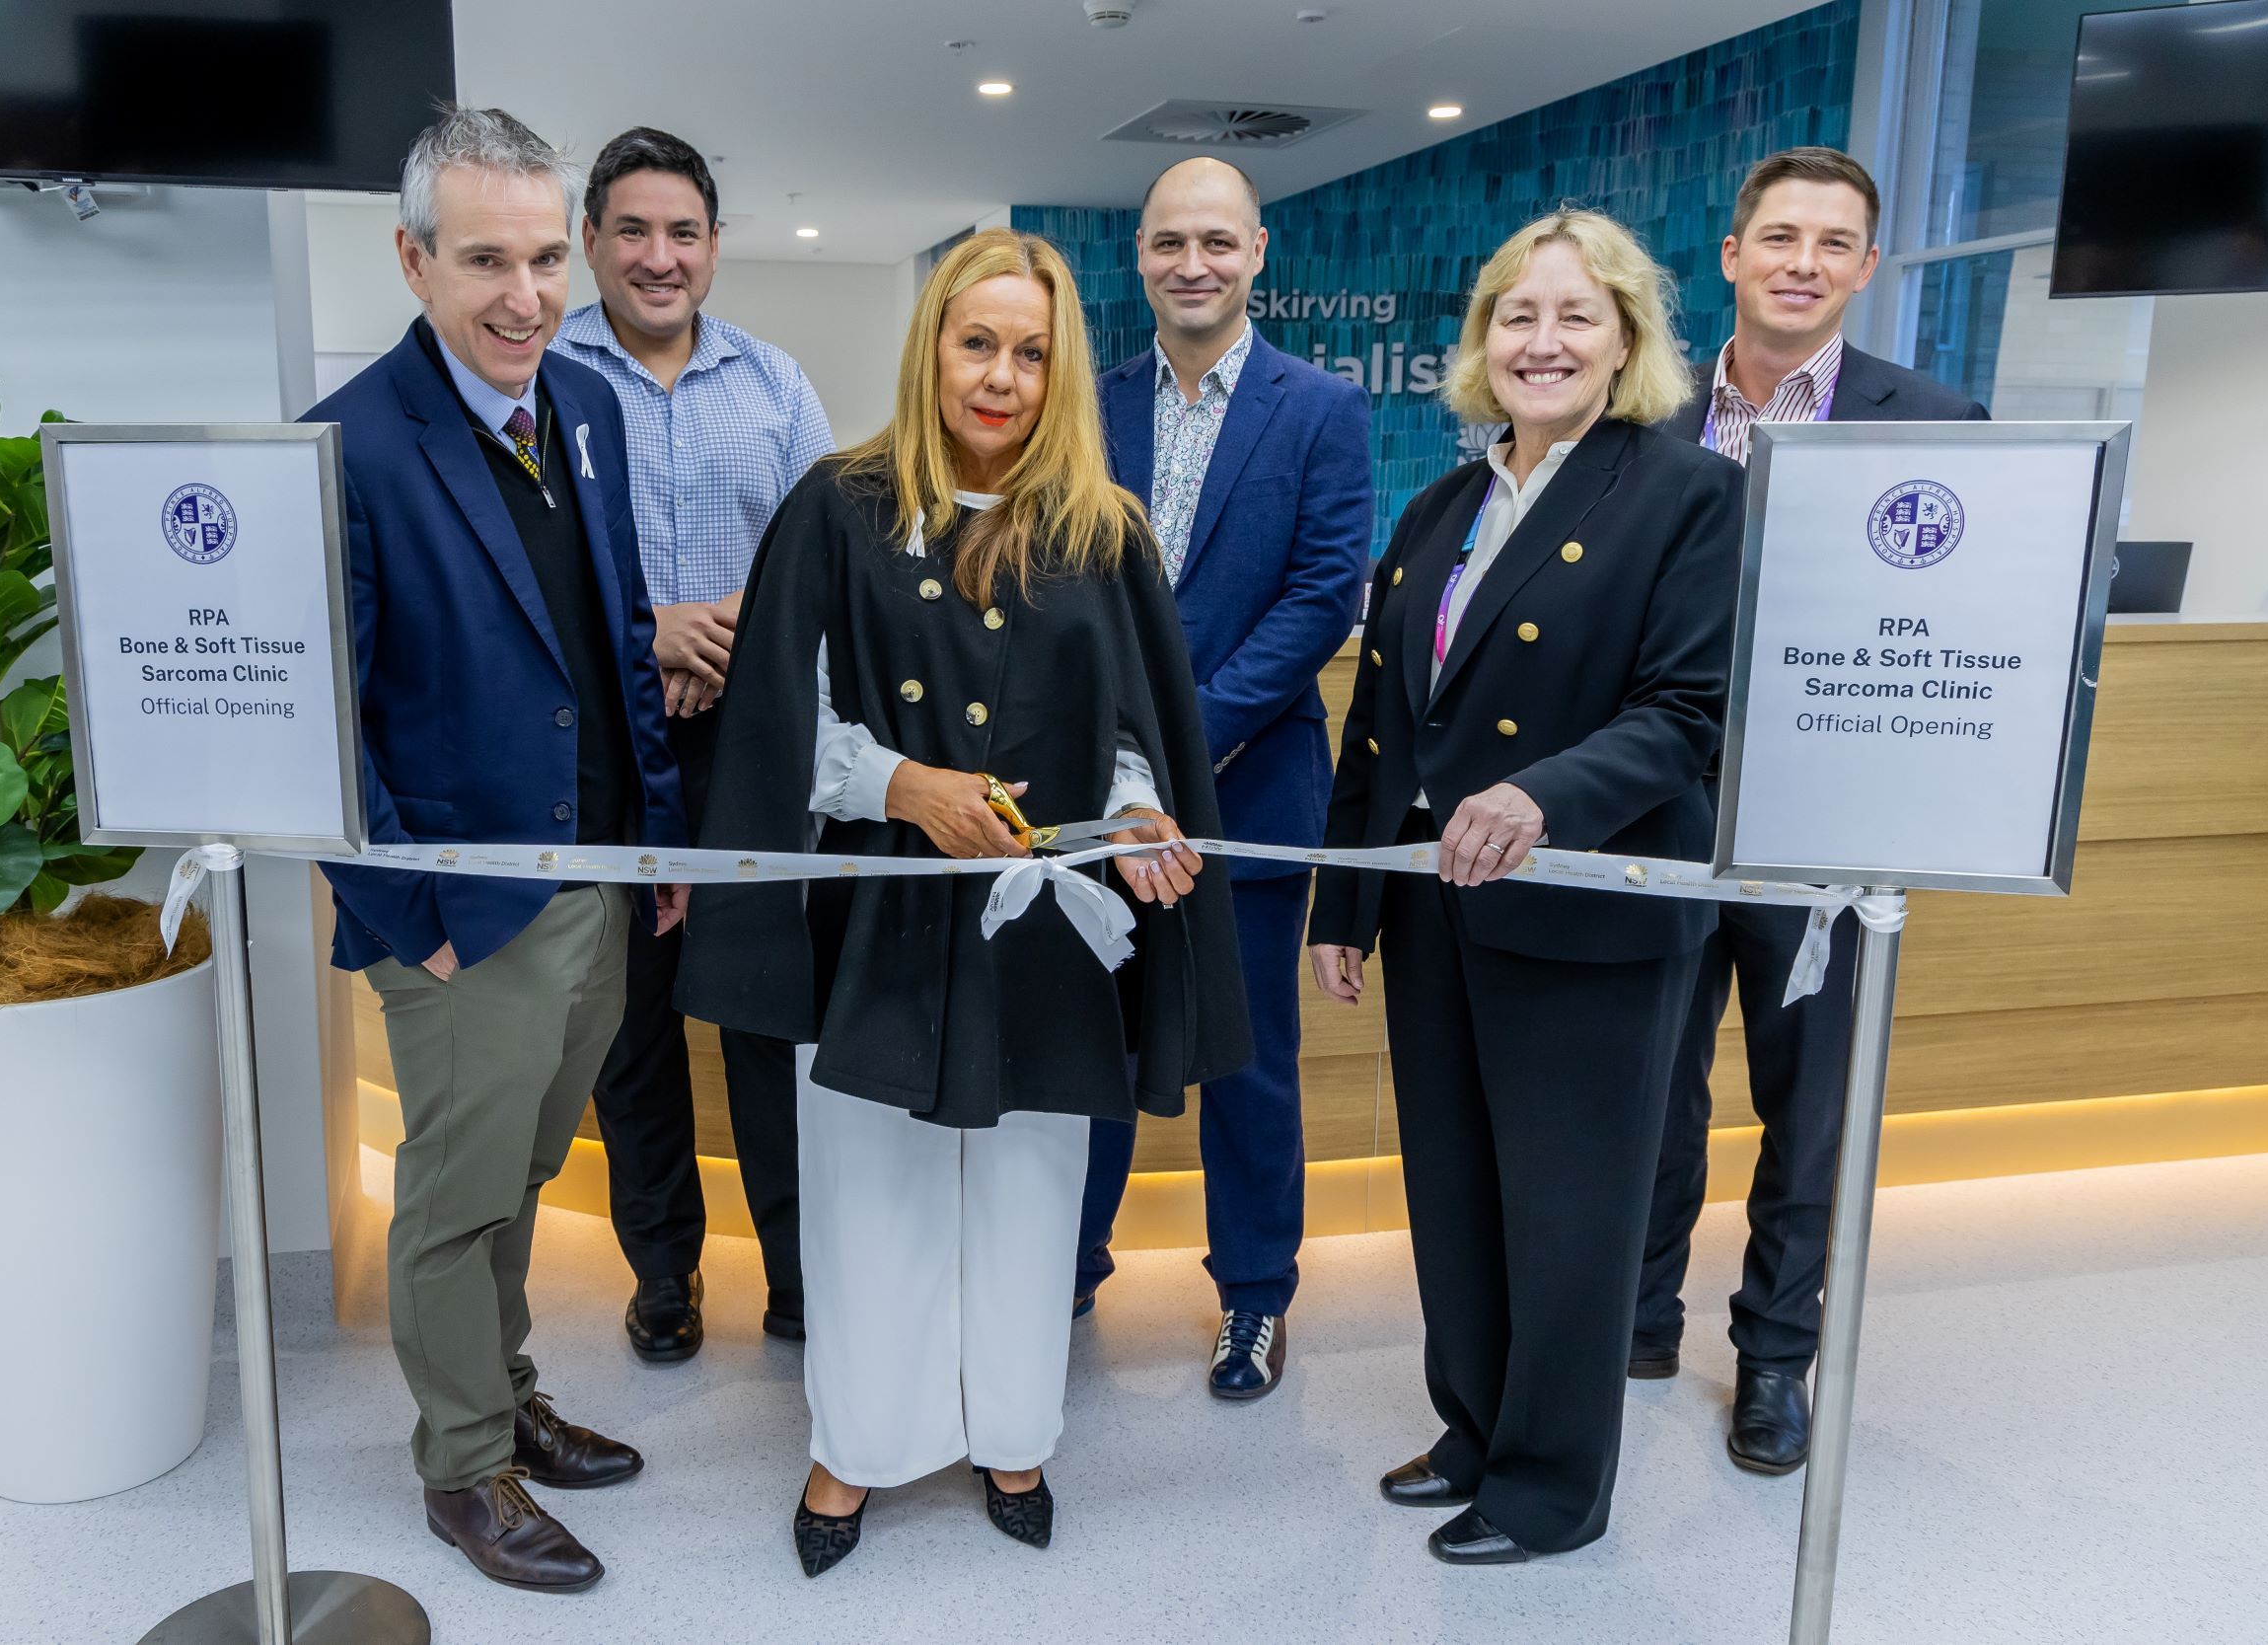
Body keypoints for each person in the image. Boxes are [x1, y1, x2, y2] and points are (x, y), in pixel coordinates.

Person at [681, 228, 1253, 1577]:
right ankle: (854, 1444)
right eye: (977, 342)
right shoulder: (839, 507)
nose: (1001, 375)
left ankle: (1013, 1430)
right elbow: (783, 727)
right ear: (932, 343)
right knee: (866, 1192)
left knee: (1029, 1188)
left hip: (1043, 933)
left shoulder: (1103, 535)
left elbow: (1129, 734)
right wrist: (903, 782)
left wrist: (1137, 813)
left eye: (1031, 350)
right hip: (875, 924)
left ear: (1059, 372)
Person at [1306, 208, 1741, 1565]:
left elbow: (1689, 708)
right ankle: (1475, 1425)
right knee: (1454, 1189)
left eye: (1574, 316)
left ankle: (1550, 1483)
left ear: (1626, 342)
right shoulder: (1442, 504)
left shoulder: (1686, 494)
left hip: (1587, 910)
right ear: (1482, 341)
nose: (1541, 341)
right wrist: (1345, 903)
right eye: (1517, 315)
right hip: (1438, 907)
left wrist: (1546, 791)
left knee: (1569, 1211)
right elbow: (1380, 721)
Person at [307, 106, 687, 1594]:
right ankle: (464, 1464)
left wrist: (655, 844)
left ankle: (505, 1387)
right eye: (485, 261)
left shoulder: (578, 406)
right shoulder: (350, 444)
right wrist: (413, 914)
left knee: (526, 1167)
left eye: (543, 258)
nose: (524, 294)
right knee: (456, 1192)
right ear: (413, 259)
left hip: (591, 881)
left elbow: (617, 641)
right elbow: (327, 730)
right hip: (464, 909)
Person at [1638, 146, 1988, 1476]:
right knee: (1655, 1086)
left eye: (1833, 242)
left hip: (1827, 831)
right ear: (1729, 256)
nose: (1802, 260)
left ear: (1865, 267)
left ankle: (1776, 1353)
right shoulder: (1643, 418)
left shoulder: (1935, 425)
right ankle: (1641, 1309)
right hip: (1661, 819)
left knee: (1811, 1104)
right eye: (1778, 235)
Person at [1072, 158, 1372, 1398]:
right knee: (1085, 1043)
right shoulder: (1086, 408)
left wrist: (1182, 750)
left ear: (1258, 252)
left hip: (1250, 790)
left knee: (1245, 1059)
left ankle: (1253, 1294)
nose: (1190, 264)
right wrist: (1125, 766)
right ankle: (1064, 1267)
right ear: (1137, 255)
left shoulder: (1322, 408)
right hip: (1099, 794)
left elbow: (1319, 601)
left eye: (1215, 241)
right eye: (1166, 243)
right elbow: (1061, 601)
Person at [550, 127, 833, 1361]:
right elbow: (522, 577)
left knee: (769, 1019)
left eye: (681, 233)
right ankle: (663, 1269)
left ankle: (798, 1268)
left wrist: (739, 630)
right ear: (591, 242)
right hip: (606, 756)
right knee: (632, 1026)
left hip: (753, 756)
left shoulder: (777, 389)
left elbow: (832, 575)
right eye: (632, 231)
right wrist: (645, 629)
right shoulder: (539, 383)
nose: (657, 257)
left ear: (714, 247)